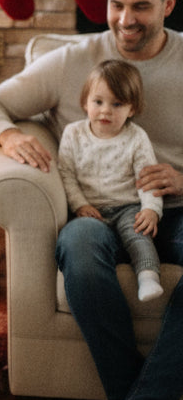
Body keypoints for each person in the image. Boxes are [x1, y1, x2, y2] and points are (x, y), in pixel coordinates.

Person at [0, 0, 183, 400]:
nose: (125, 20)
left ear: (169, 4)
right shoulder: (71, 61)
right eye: (115, 6)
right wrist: (13, 135)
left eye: (140, 7)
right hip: (92, 213)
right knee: (81, 260)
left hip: (173, 207)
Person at [57, 59, 163, 304]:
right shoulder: (73, 134)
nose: (105, 111)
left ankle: (148, 276)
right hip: (90, 211)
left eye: (117, 104)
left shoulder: (136, 137)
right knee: (87, 240)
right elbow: (66, 175)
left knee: (139, 234)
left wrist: (151, 210)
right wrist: (79, 205)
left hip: (128, 206)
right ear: (85, 102)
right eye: (98, 102)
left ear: (132, 109)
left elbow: (148, 177)